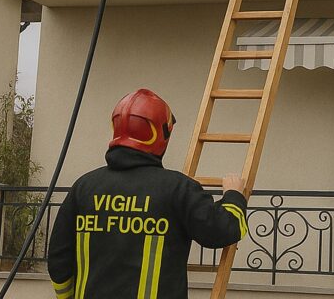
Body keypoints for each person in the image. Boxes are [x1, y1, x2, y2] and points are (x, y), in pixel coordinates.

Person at [48, 88, 247, 299]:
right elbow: (220, 231)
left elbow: (59, 260)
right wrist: (234, 196)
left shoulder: (84, 188)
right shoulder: (177, 189)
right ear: (161, 134)